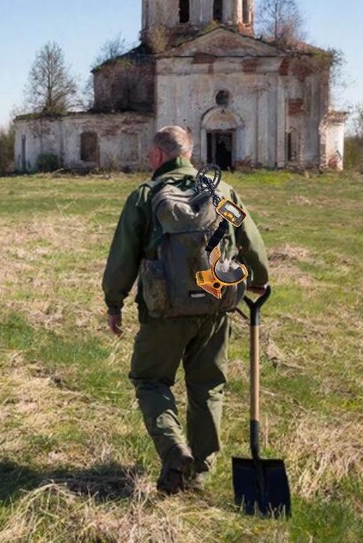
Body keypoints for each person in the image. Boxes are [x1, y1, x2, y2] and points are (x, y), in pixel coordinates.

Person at [102, 125, 269, 494]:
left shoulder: (145, 196)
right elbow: (248, 234)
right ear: (189, 155)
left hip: (163, 310)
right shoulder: (221, 192)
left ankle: (174, 448)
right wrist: (259, 278)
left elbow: (123, 255)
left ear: (160, 155)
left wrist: (114, 302)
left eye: (150, 154)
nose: (149, 159)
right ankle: (201, 470)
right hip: (214, 306)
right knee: (208, 385)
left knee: (150, 380)